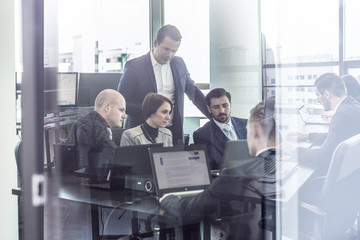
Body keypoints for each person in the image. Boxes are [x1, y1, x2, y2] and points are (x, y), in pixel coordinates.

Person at [159, 98, 277, 240]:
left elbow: (188, 210)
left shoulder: (235, 174)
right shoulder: (294, 165)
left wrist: (168, 199)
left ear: (256, 131)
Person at [117, 24, 211, 145]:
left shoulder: (179, 64)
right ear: (156, 42)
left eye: (174, 51)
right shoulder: (134, 66)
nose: (170, 55)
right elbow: (122, 104)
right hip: (142, 135)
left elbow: (194, 93)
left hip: (172, 132)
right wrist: (152, 111)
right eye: (166, 49)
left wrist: (214, 117)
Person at [286, 73, 360, 175]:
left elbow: (322, 156)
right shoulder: (353, 105)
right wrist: (307, 136)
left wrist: (292, 150)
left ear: (326, 94)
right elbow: (336, 135)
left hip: (340, 183)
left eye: (318, 95)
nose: (317, 100)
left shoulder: (341, 116)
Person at [67, 89, 127, 169]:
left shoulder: (89, 121)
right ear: (107, 107)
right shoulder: (95, 125)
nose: (124, 116)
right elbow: (115, 157)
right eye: (121, 110)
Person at [193, 88, 247, 170]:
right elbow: (213, 166)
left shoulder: (246, 124)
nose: (221, 111)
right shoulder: (202, 135)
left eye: (225, 105)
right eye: (216, 107)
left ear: (230, 105)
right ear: (209, 109)